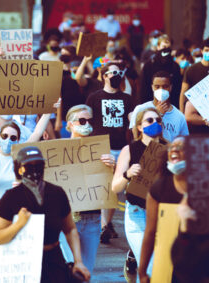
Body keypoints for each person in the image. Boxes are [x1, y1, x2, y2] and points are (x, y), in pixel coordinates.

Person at [0, 146, 91, 282]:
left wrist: (78, 261)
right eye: (29, 166)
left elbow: (70, 229)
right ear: (20, 169)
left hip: (54, 259)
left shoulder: (56, 193)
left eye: (38, 165)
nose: (35, 169)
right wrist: (18, 225)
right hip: (23, 263)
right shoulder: (11, 197)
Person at [111, 107, 168, 282]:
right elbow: (115, 187)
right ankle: (135, 257)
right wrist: (127, 175)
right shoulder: (130, 150)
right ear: (140, 127)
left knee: (162, 266)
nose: (155, 124)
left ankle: (133, 258)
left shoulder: (169, 150)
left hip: (162, 215)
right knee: (150, 268)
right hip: (137, 214)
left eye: (158, 120)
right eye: (149, 121)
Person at [60, 104, 116, 274]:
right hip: (65, 219)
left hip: (91, 218)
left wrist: (111, 168)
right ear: (69, 124)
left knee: (86, 270)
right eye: (82, 120)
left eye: (89, 121)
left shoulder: (99, 151)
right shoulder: (58, 149)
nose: (87, 124)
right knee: (66, 269)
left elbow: (109, 187)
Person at [85, 62, 134, 243]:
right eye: (112, 72)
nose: (116, 75)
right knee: (101, 185)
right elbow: (86, 121)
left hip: (119, 146)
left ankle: (106, 224)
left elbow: (132, 121)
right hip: (100, 146)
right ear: (104, 76)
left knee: (115, 187)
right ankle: (103, 224)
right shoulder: (94, 97)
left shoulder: (127, 99)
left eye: (118, 72)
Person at [138, 137, 186, 283]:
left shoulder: (206, 188)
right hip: (166, 266)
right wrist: (142, 270)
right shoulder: (158, 188)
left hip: (197, 268)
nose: (175, 150)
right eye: (172, 147)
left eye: (181, 147)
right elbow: (150, 232)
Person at [130, 71, 189, 142]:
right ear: (152, 87)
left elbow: (184, 141)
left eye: (165, 86)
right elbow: (136, 136)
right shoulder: (140, 109)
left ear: (170, 87)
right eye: (157, 87)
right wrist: (157, 114)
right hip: (147, 151)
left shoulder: (179, 116)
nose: (161, 90)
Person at [139, 35, 182, 108]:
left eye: (168, 48)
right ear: (158, 47)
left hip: (170, 105)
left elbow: (177, 88)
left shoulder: (175, 66)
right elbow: (143, 88)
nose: (166, 51)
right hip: (151, 104)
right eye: (164, 47)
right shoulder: (149, 65)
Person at [179, 38, 209, 112]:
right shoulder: (191, 70)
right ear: (202, 51)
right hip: (193, 111)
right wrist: (182, 113)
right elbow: (183, 92)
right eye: (206, 50)